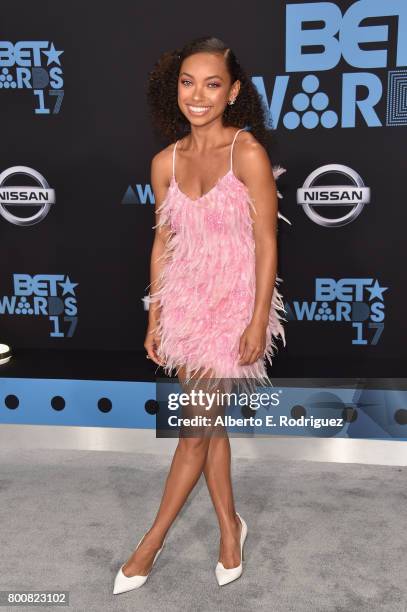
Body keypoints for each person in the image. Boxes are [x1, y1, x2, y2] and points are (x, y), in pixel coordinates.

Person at [113, 35, 288, 595]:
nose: (198, 94)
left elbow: (266, 243)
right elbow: (162, 242)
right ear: (175, 88)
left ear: (233, 91)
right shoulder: (164, 161)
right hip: (185, 306)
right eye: (188, 82)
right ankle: (230, 528)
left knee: (193, 431)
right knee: (209, 427)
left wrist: (258, 318)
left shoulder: (248, 153)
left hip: (233, 307)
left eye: (213, 83)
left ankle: (148, 546)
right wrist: (154, 315)